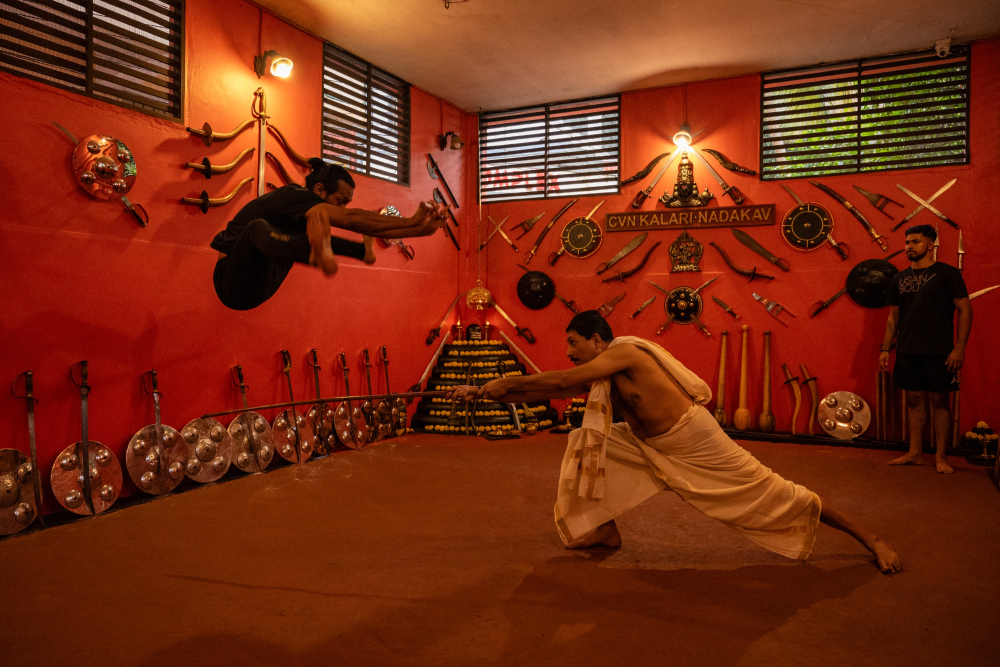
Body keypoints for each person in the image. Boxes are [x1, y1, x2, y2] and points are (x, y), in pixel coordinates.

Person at [448, 311, 902, 574]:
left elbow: (563, 379)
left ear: (597, 340)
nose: (568, 350)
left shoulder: (622, 352)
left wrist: (507, 380)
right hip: (648, 445)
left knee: (776, 492)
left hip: (693, 440)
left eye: (573, 342)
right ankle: (603, 527)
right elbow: (551, 388)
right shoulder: (602, 368)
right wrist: (483, 388)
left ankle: (872, 539)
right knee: (586, 442)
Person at [211, 158, 447, 310]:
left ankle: (353, 250)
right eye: (340, 201)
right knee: (258, 230)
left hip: (259, 285)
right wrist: (413, 223)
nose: (341, 208)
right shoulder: (295, 197)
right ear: (319, 190)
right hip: (230, 284)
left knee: (314, 229)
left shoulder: (309, 209)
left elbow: (357, 219)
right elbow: (352, 219)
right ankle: (324, 253)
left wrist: (418, 228)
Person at [879, 224, 971, 474]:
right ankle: (915, 452)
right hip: (908, 350)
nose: (909, 246)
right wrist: (886, 348)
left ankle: (941, 457)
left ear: (930, 245)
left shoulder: (947, 274)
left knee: (940, 402)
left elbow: (965, 310)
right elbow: (893, 318)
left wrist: (959, 347)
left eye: (915, 242)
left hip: (940, 351)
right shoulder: (899, 278)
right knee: (914, 400)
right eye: (907, 242)